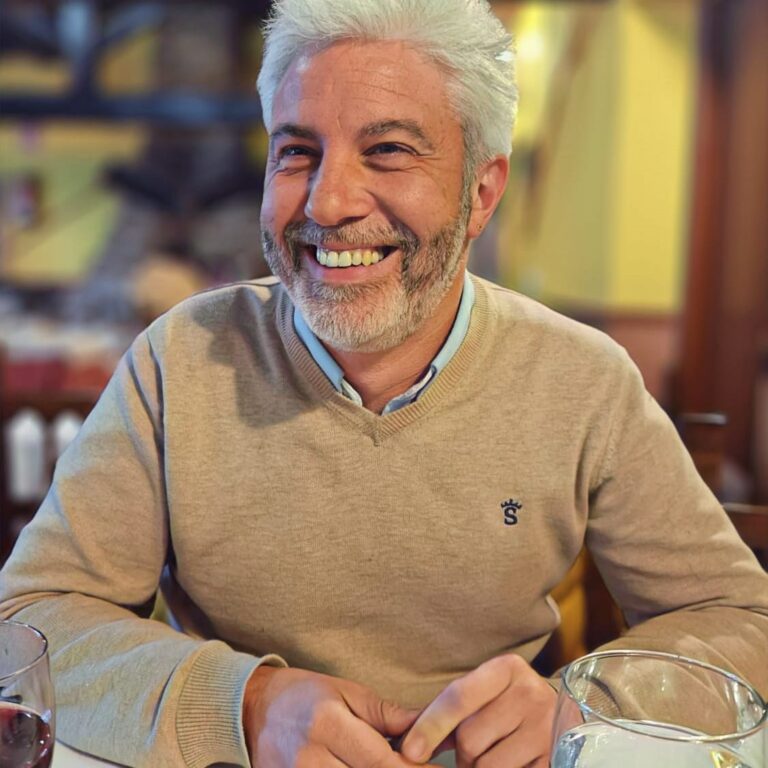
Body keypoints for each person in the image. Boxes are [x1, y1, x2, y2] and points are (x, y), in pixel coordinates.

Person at [1, 1, 767, 766]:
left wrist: (581, 708)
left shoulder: (582, 380)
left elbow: (742, 616)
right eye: (297, 152)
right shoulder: (181, 359)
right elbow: (28, 619)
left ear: (481, 193)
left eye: (390, 151)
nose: (328, 205)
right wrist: (246, 705)